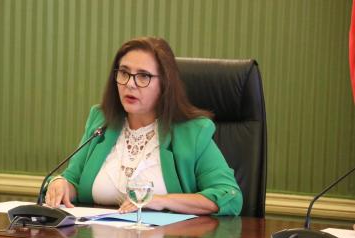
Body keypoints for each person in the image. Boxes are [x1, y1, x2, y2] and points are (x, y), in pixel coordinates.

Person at [45, 36, 242, 216]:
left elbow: (229, 196)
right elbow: (73, 180)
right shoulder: (102, 121)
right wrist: (60, 184)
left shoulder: (192, 132)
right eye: (124, 73)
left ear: (165, 84)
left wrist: (162, 201)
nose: (130, 84)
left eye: (143, 76)